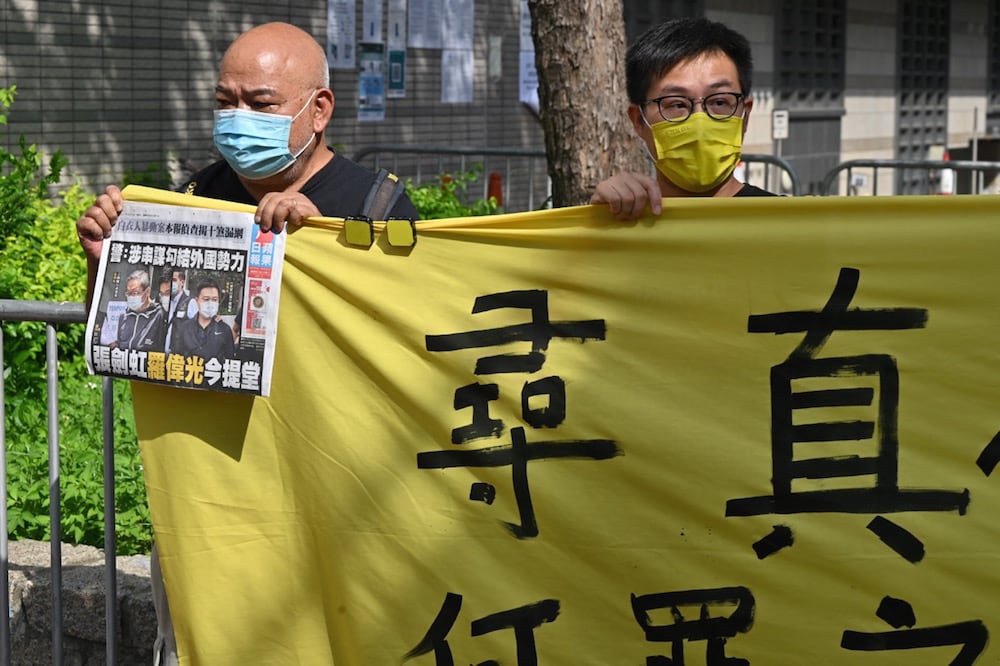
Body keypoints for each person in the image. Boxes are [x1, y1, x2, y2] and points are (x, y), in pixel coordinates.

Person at [73, 21, 420, 666]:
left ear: (318, 110)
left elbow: (411, 348)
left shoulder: (377, 207)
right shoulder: (192, 201)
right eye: (225, 101)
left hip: (332, 493)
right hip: (210, 490)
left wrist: (327, 252)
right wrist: (105, 263)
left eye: (260, 104)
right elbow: (134, 339)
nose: (238, 118)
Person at [590, 17, 777, 221]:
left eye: (720, 102)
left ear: (745, 115)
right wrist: (596, 222)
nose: (700, 123)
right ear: (638, 121)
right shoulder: (618, 227)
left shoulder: (786, 225)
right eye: (677, 104)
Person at [170, 279, 236, 363]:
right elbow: (175, 357)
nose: (210, 304)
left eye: (214, 300)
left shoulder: (225, 330)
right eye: (206, 299)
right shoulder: (184, 328)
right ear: (197, 301)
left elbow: (230, 361)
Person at [111, 269, 165, 351]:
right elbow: (120, 343)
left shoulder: (159, 315)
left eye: (135, 293)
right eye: (128, 293)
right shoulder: (124, 316)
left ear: (147, 292)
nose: (131, 296)